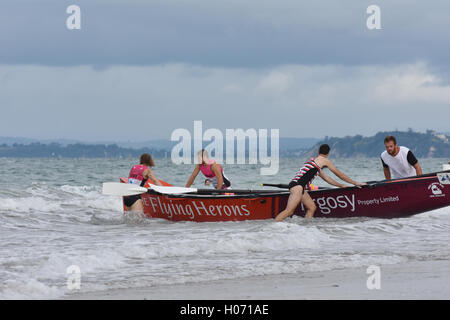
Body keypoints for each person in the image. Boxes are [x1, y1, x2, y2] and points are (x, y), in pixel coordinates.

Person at [275, 144, 365, 221]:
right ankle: (273, 228)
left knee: (312, 207)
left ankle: (306, 229)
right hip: (298, 187)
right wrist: (355, 183)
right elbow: (340, 175)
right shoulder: (325, 160)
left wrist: (341, 185)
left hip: (298, 186)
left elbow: (326, 178)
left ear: (318, 151)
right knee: (289, 211)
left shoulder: (313, 161)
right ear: (328, 153)